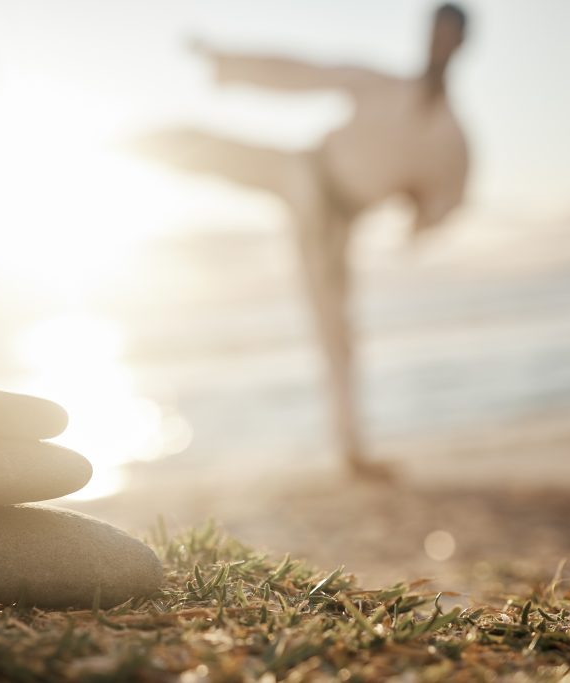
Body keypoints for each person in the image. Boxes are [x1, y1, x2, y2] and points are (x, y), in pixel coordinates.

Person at [134, 4, 469, 478]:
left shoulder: (451, 138)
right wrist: (224, 61)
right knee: (205, 149)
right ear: (426, 34)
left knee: (337, 332)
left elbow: (446, 205)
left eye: (448, 36)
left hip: (332, 224)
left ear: (459, 44)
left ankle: (352, 452)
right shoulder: (383, 85)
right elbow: (303, 72)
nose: (438, 43)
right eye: (434, 31)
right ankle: (112, 146)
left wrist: (420, 211)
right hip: (302, 169)